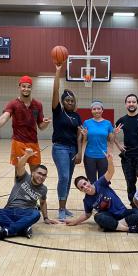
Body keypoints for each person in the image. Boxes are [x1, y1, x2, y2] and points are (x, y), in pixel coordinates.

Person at [0, 148, 58, 241]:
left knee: (36, 214)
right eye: (39, 173)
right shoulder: (24, 177)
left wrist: (46, 218)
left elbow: (43, 202)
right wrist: (27, 156)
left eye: (44, 175)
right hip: (9, 210)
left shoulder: (43, 189)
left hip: (25, 213)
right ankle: (21, 229)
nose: (41, 176)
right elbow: (20, 165)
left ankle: (6, 231)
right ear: (33, 173)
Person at [65, 153, 138, 233]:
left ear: (88, 181)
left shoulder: (100, 183)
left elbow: (110, 172)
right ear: (80, 190)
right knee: (98, 217)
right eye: (82, 187)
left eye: (85, 184)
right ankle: (128, 228)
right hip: (109, 217)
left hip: (123, 213)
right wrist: (75, 222)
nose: (85, 187)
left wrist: (110, 161)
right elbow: (87, 215)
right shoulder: (87, 200)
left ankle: (114, 226)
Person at [0, 76, 51, 170]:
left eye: (29, 87)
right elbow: (5, 116)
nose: (26, 89)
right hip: (18, 142)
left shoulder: (38, 105)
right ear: (19, 87)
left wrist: (46, 123)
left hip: (33, 142)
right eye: (23, 86)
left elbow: (41, 126)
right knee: (19, 174)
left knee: (35, 173)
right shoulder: (13, 103)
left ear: (31, 88)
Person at [51, 64, 82, 220]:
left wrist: (79, 153)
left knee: (68, 178)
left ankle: (64, 207)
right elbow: (55, 91)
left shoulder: (77, 116)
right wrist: (58, 72)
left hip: (73, 150)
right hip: (60, 148)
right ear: (62, 102)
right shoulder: (58, 112)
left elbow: (79, 135)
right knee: (63, 176)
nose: (70, 102)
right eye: (67, 101)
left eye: (72, 101)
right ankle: (61, 210)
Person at [81, 100, 114, 183]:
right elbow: (84, 140)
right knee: (91, 181)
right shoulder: (87, 122)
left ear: (102, 110)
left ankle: (101, 196)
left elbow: (111, 140)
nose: (96, 111)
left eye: (98, 108)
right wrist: (84, 135)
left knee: (102, 181)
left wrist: (115, 133)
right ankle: (92, 196)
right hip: (89, 156)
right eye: (94, 109)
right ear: (91, 111)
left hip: (103, 156)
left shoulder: (108, 123)